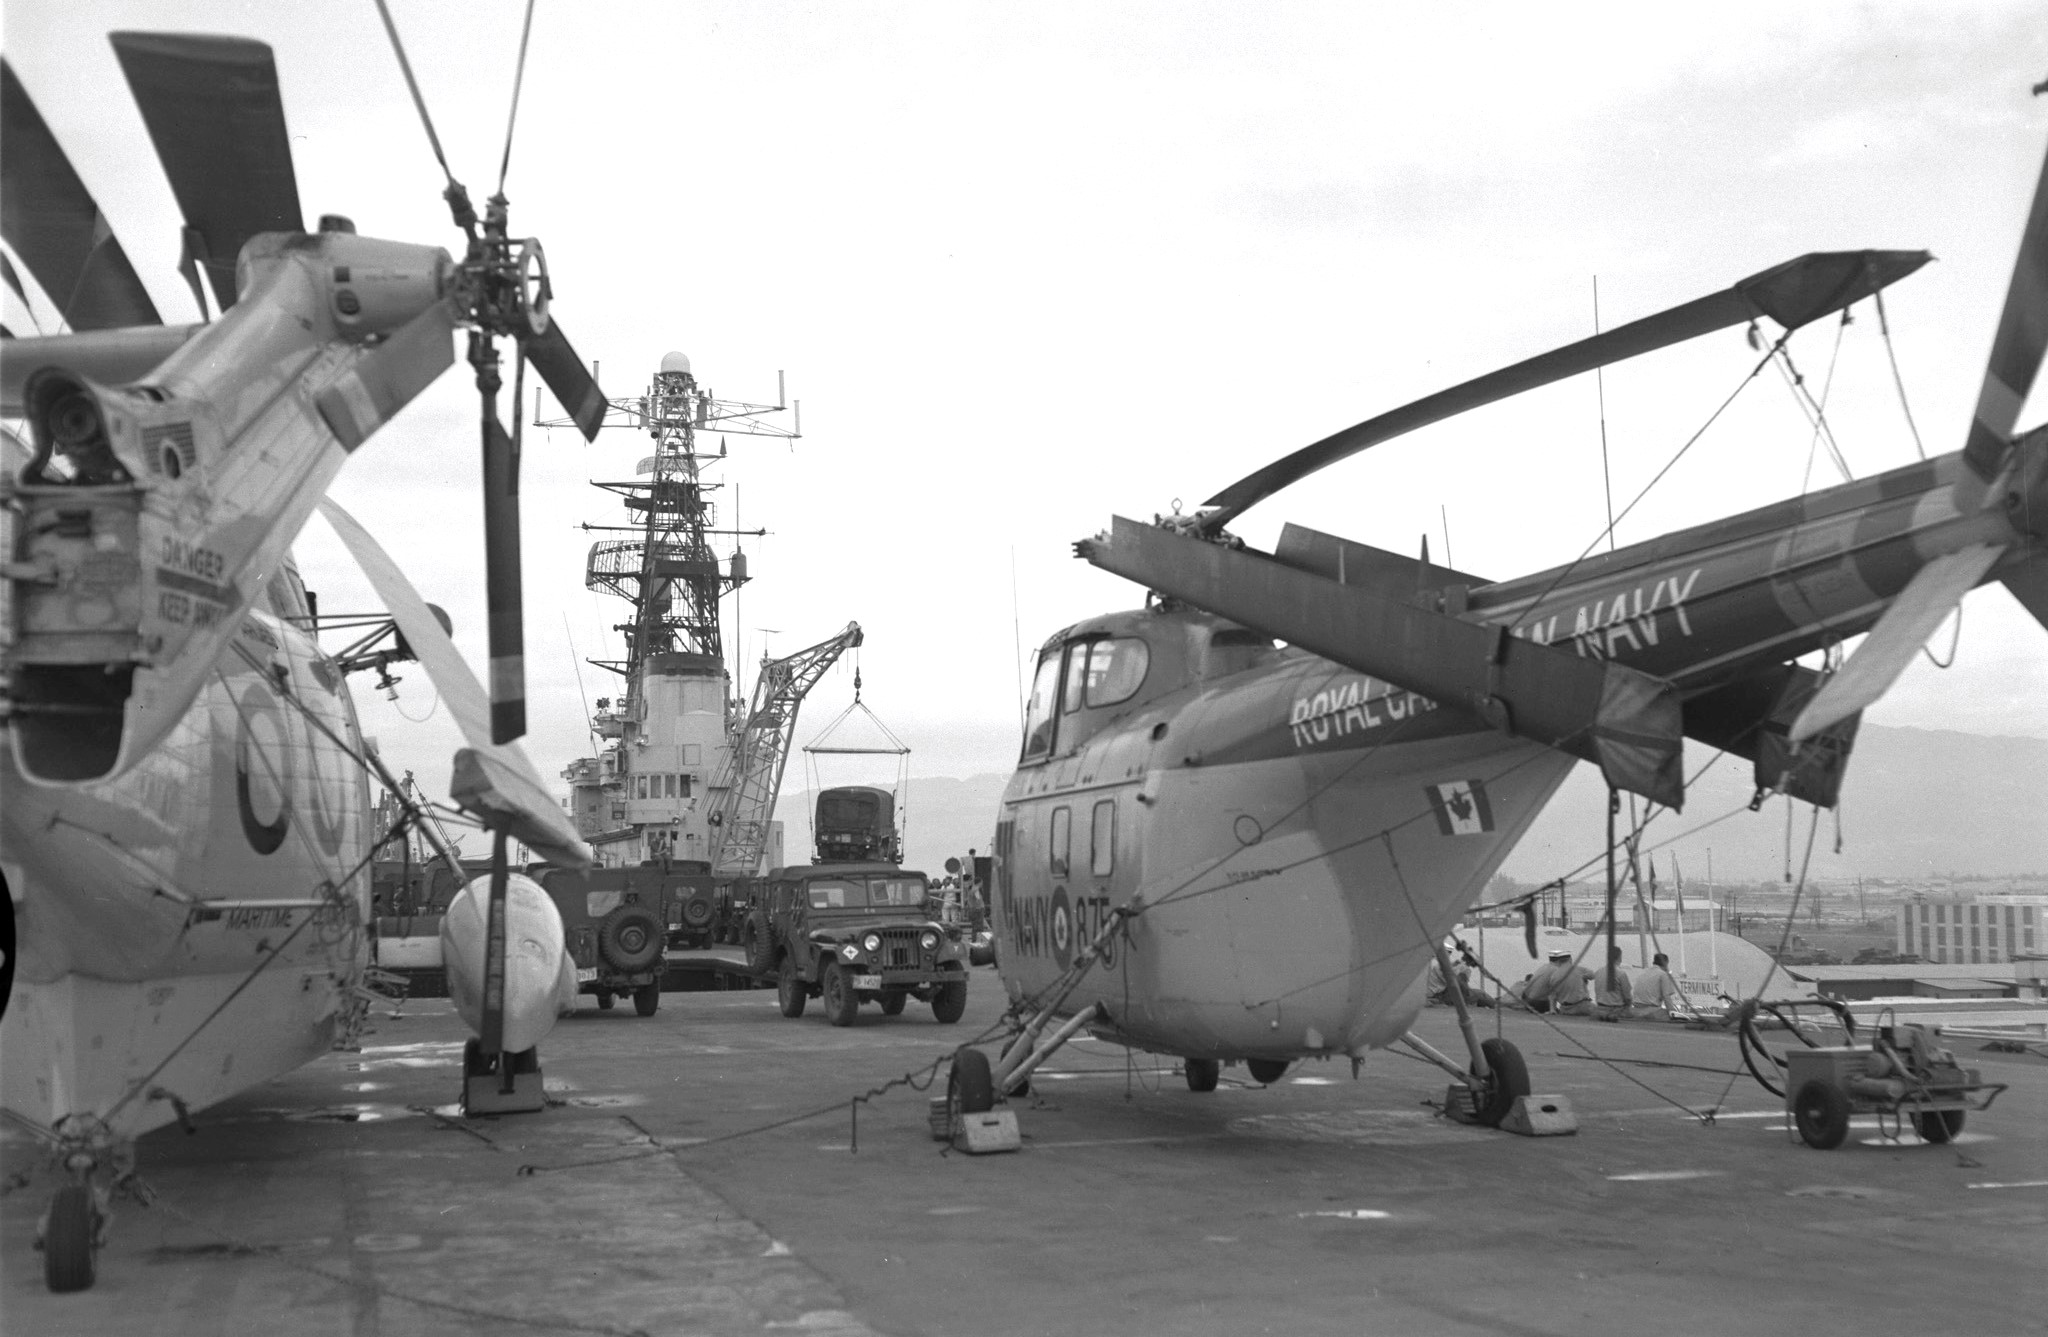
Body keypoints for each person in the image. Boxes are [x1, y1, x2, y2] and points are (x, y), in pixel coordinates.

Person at [1519, 949, 1595, 1015]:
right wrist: (1582, 977)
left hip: (1528, 1001)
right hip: (1540, 1003)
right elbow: (1554, 992)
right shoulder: (1557, 971)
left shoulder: (1544, 967)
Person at [1634, 952, 1689, 1019]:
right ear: (1666, 963)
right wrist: (1673, 1011)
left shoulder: (1643, 972)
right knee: (1669, 1017)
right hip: (1652, 1010)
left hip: (1636, 1008)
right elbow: (1666, 996)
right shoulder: (1663, 974)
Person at [1593, 945, 1633, 1018]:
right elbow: (1627, 997)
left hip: (1600, 1008)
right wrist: (1629, 1006)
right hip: (1615, 1010)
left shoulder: (1598, 972)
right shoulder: (1621, 973)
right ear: (1620, 957)